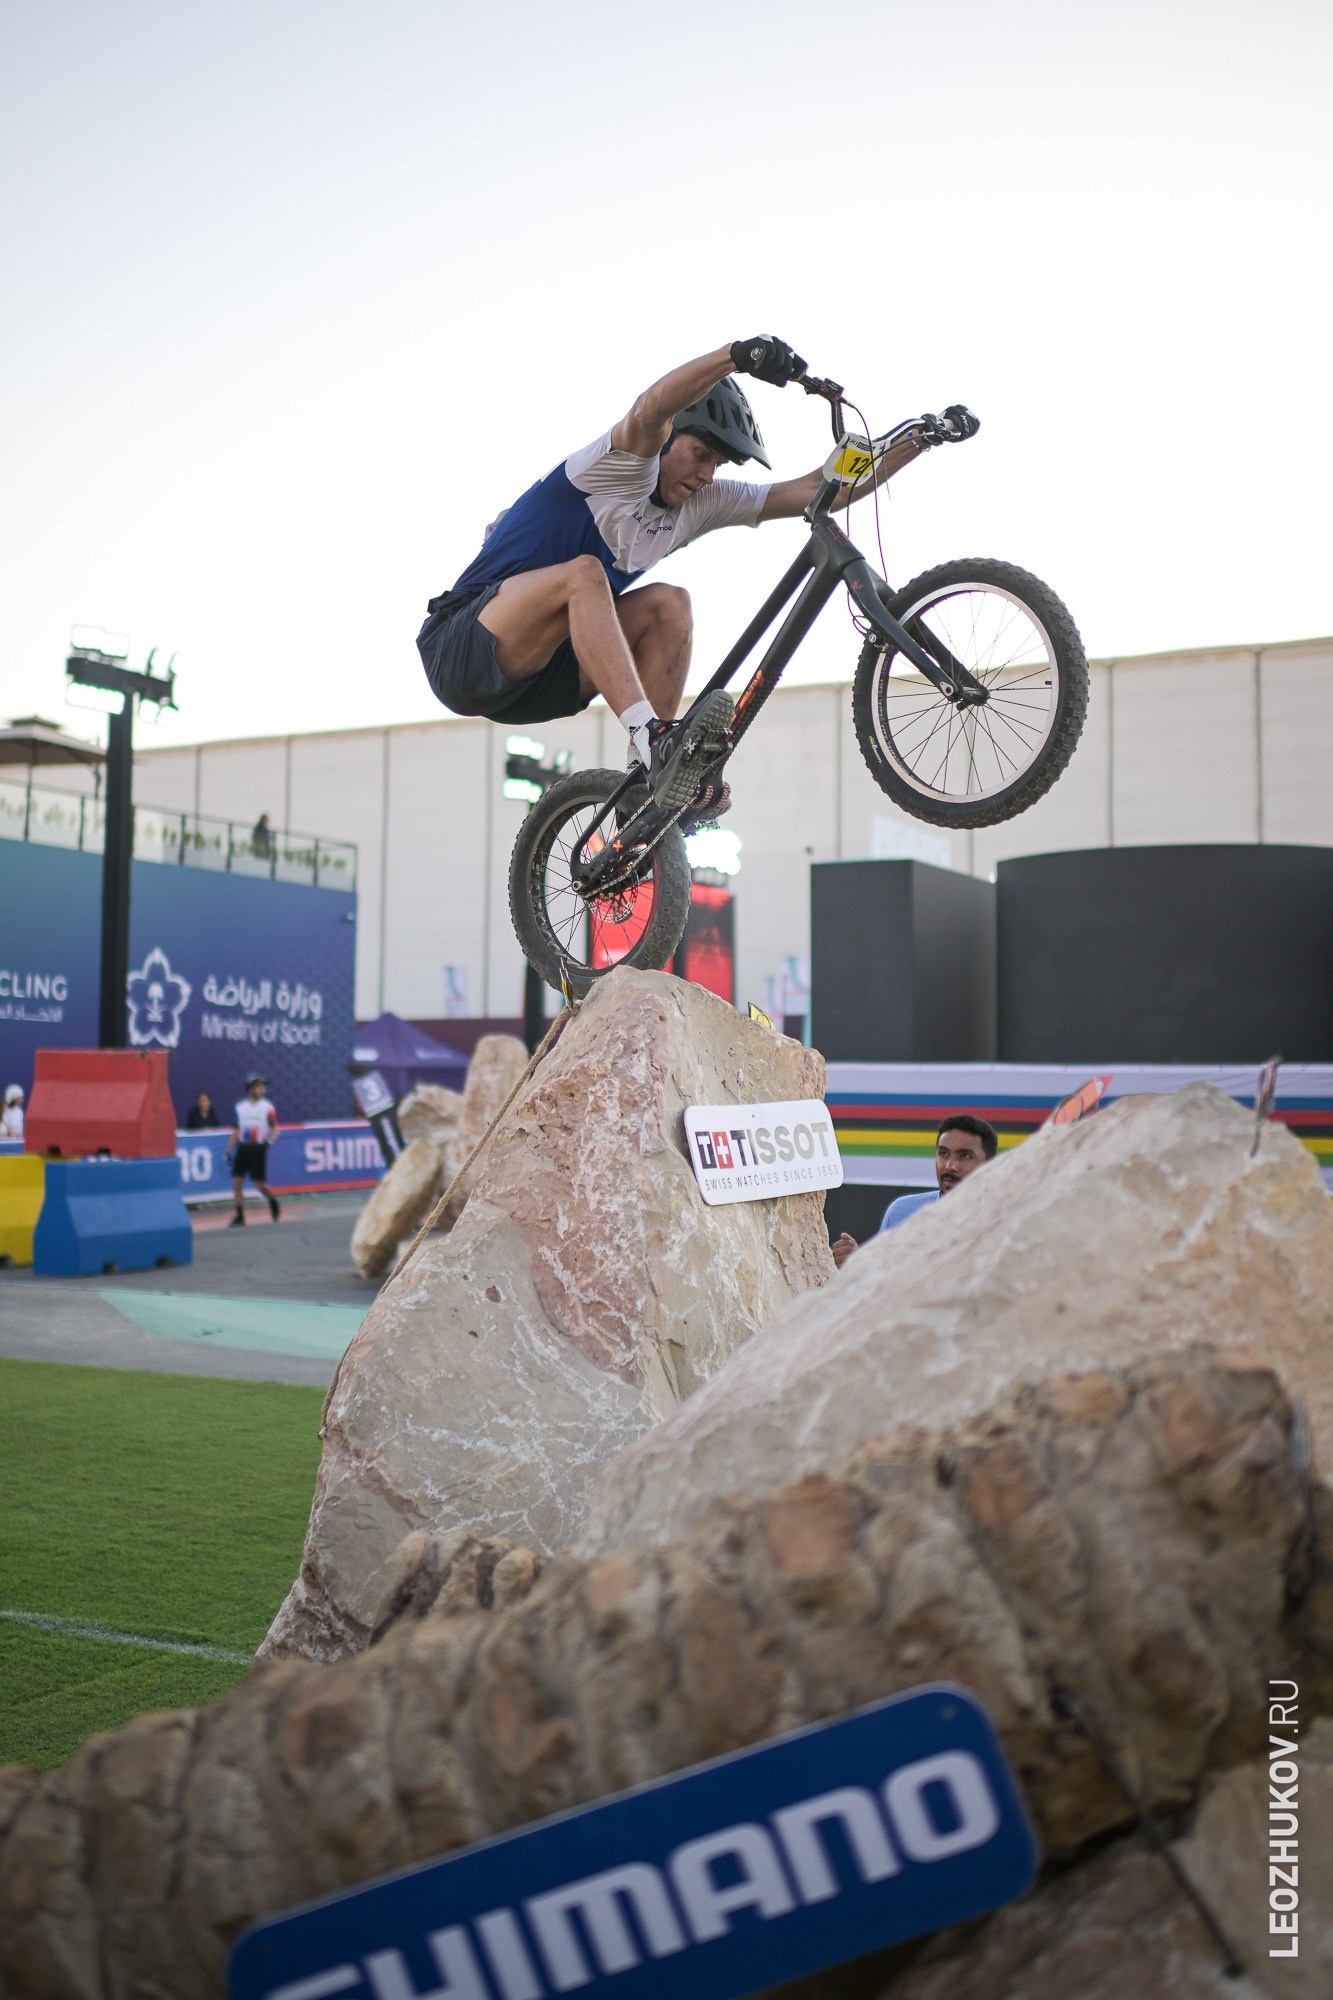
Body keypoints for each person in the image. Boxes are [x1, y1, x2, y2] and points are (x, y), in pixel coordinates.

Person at [417, 336, 887, 832]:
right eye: (701, 453)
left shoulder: (700, 503)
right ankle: (652, 735)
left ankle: (645, 793)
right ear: (668, 439)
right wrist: (736, 357)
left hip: (545, 678)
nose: (707, 476)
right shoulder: (618, 466)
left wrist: (918, 439)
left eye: (718, 465)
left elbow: (818, 491)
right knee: (585, 574)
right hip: (463, 650)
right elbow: (649, 409)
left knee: (670, 605)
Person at [830, 1115, 999, 1267]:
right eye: (943, 1153)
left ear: (990, 1164)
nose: (950, 1165)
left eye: (965, 1156)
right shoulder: (901, 1211)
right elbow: (881, 1280)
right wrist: (857, 1262)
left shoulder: (1004, 1221)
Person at [227, 1073, 280, 1225]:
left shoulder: (268, 1107)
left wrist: (269, 1142)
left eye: (263, 1086)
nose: (262, 1089)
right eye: (259, 1087)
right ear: (250, 1089)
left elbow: (275, 1128)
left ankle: (272, 1201)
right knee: (237, 1182)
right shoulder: (240, 1108)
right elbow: (236, 1130)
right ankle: (240, 1216)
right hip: (243, 1148)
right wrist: (228, 1150)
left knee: (259, 1183)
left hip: (258, 1148)